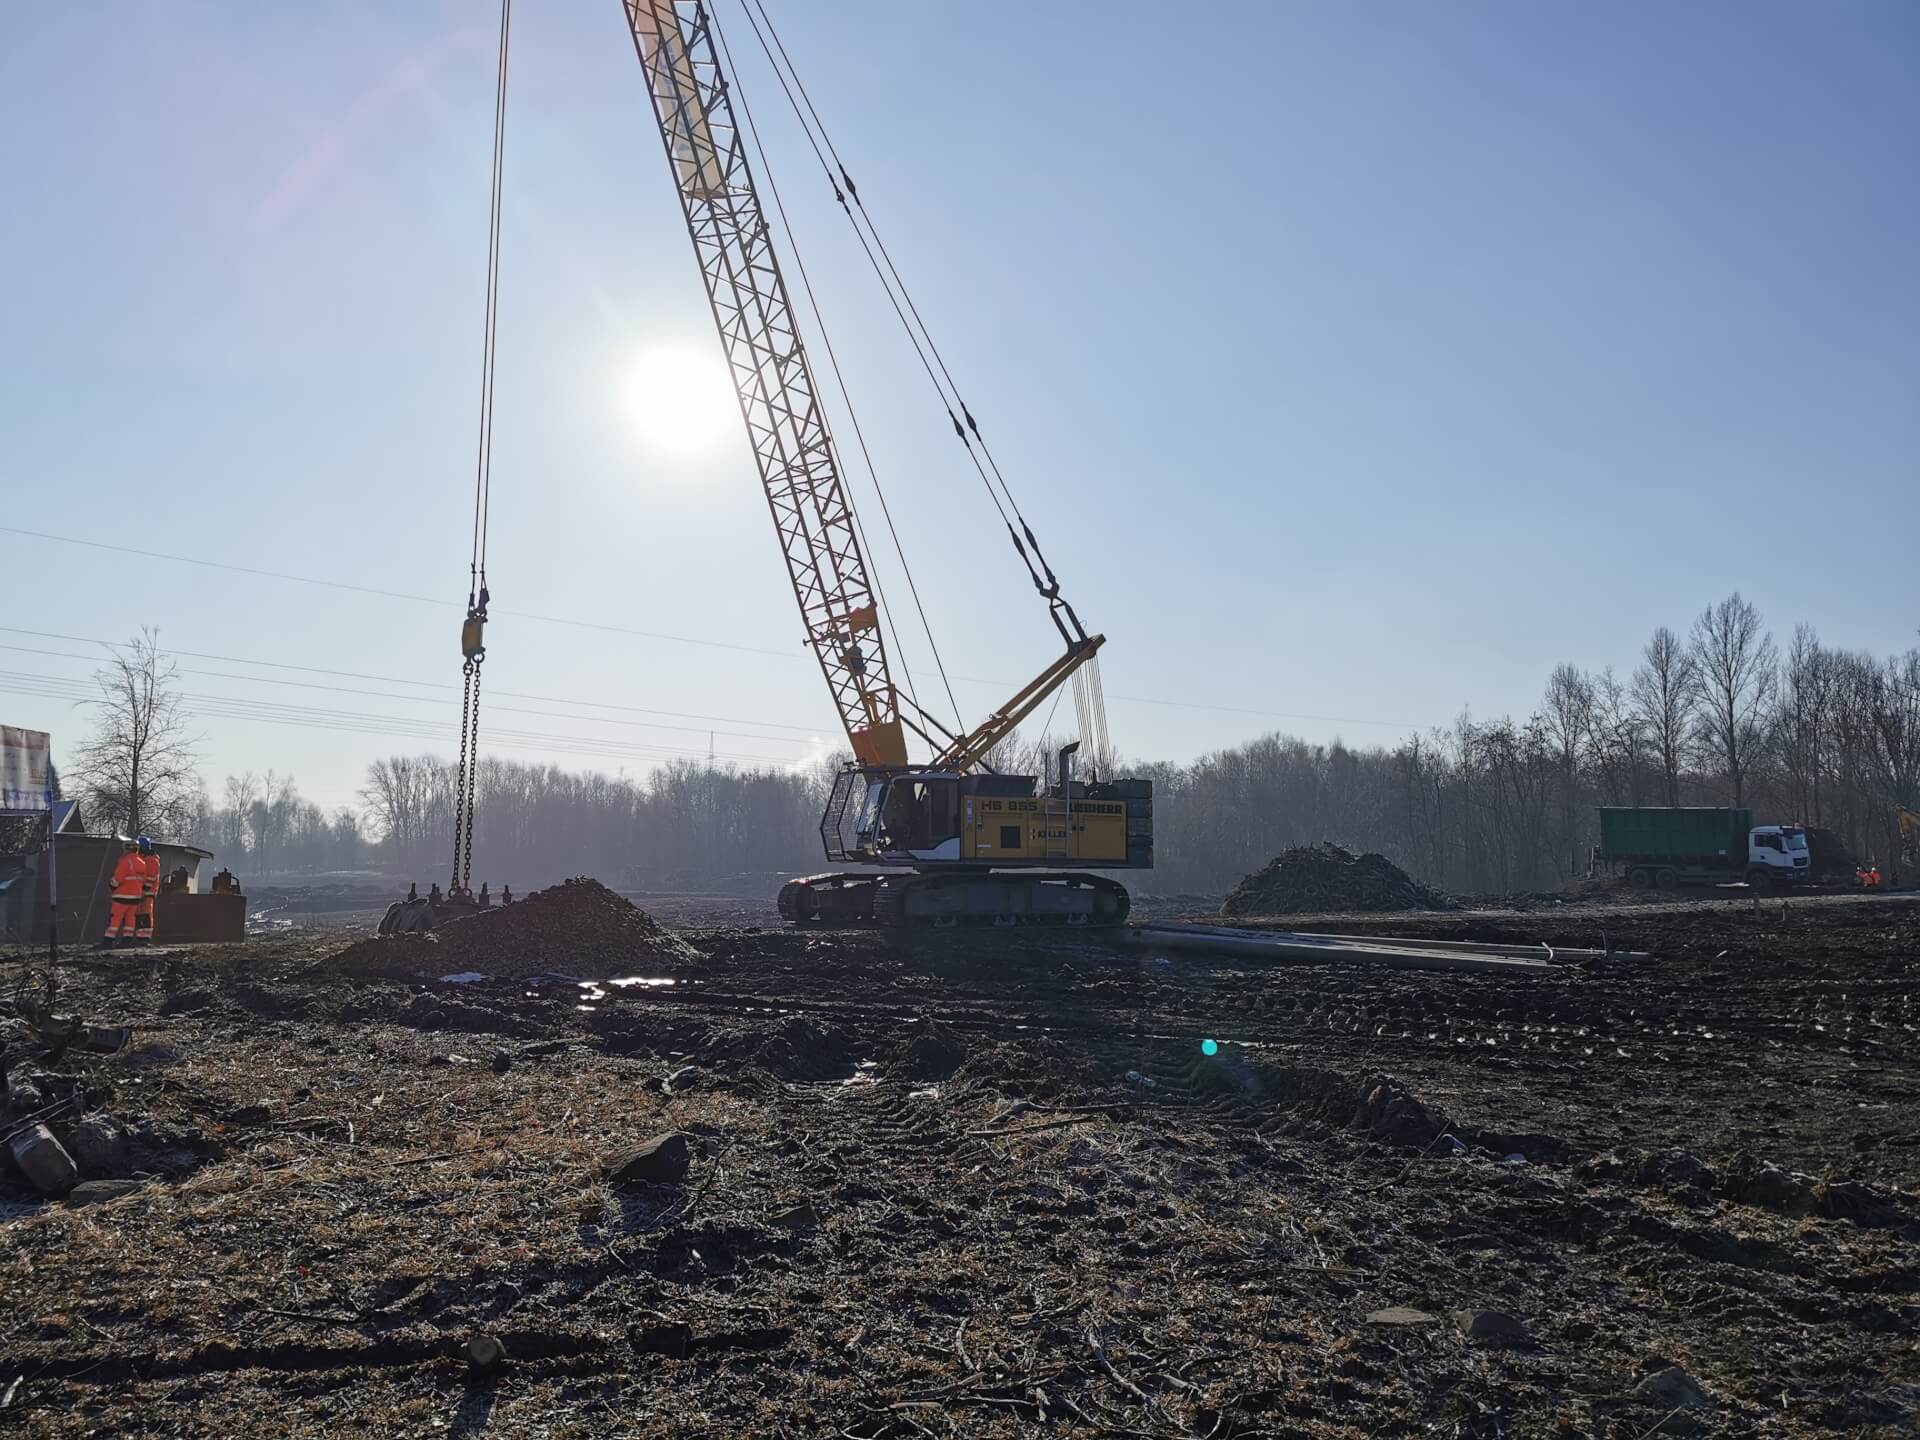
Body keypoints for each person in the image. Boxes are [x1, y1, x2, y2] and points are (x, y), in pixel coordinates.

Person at [102, 840, 144, 947]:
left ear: (128, 849)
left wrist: (111, 886)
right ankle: (127, 940)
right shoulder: (142, 863)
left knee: (115, 918)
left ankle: (108, 940)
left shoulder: (125, 861)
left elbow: (117, 878)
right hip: (135, 897)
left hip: (122, 895)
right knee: (130, 919)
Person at [135, 836, 160, 943]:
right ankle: (139, 937)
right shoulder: (143, 858)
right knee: (139, 914)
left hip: (147, 892)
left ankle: (145, 938)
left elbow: (150, 877)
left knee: (145, 914)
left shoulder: (151, 859)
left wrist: (144, 890)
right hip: (141, 891)